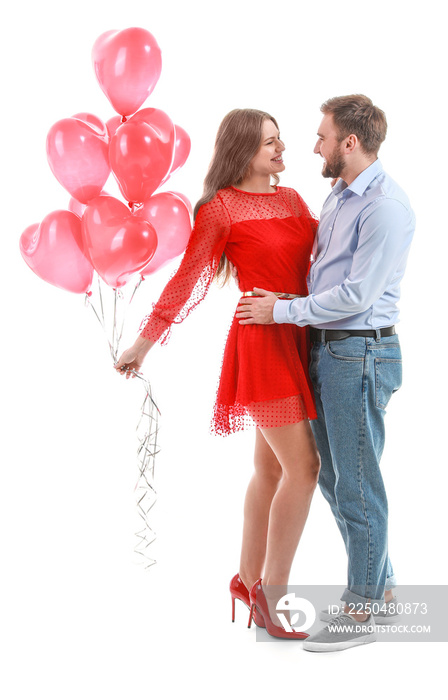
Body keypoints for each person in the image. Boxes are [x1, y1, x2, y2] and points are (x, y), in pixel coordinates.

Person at [115, 109, 321, 639]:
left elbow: (320, 264)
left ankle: (245, 579)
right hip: (263, 343)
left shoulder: (293, 199)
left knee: (273, 470)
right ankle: (271, 595)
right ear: (242, 150)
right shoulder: (221, 208)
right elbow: (189, 279)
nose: (280, 150)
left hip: (300, 332)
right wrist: (144, 341)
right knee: (306, 468)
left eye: (280, 140)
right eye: (268, 143)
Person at [236, 94, 415, 652]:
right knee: (336, 480)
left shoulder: (385, 205)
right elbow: (319, 274)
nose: (312, 144)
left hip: (359, 354)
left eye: (321, 135)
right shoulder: (339, 194)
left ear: (350, 143)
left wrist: (282, 309)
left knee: (357, 485)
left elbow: (357, 295)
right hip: (327, 351)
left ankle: (364, 609)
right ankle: (380, 589)